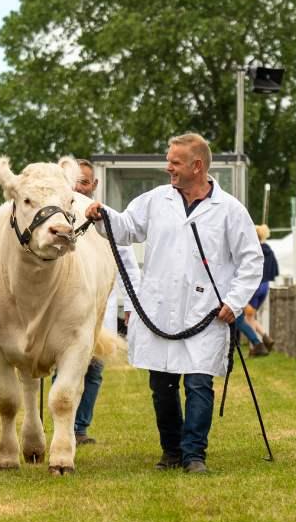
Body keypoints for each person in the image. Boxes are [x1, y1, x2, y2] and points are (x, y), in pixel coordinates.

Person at [85, 133, 263, 474]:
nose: (168, 168)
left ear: (197, 166)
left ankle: (194, 453)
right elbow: (126, 229)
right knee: (162, 386)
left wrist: (234, 301)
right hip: (159, 310)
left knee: (199, 382)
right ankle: (171, 450)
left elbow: (250, 260)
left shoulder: (229, 210)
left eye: (175, 162)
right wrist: (102, 214)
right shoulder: (155, 201)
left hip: (205, 312)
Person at [67, 159, 141, 446]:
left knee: (93, 372)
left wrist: (133, 306)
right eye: (73, 181)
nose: (78, 187)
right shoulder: (57, 217)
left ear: (94, 185)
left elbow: (127, 266)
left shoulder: (105, 217)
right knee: (66, 369)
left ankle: (80, 427)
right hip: (67, 311)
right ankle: (65, 423)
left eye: (84, 182)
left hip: (100, 310)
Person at [235, 224, 278, 355]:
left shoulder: (252, 249)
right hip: (265, 286)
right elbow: (275, 270)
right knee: (250, 316)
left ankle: (255, 346)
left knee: (241, 315)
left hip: (254, 285)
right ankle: (265, 337)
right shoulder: (269, 250)